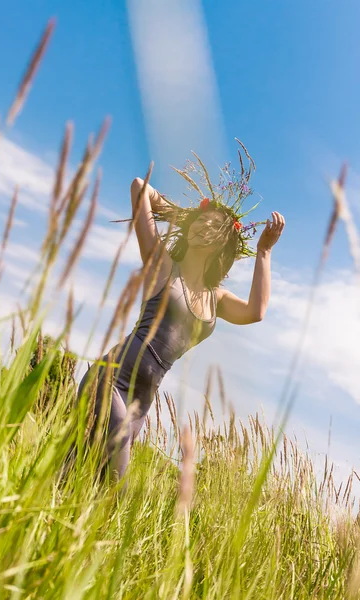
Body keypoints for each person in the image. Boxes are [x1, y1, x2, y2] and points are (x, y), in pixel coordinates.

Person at [77, 149, 285, 483]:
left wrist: (264, 252)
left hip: (141, 402)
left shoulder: (216, 299)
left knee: (81, 475)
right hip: (111, 381)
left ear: (224, 244)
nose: (204, 225)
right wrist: (187, 213)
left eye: (215, 226)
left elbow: (255, 312)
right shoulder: (163, 266)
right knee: (113, 483)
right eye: (201, 221)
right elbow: (138, 187)